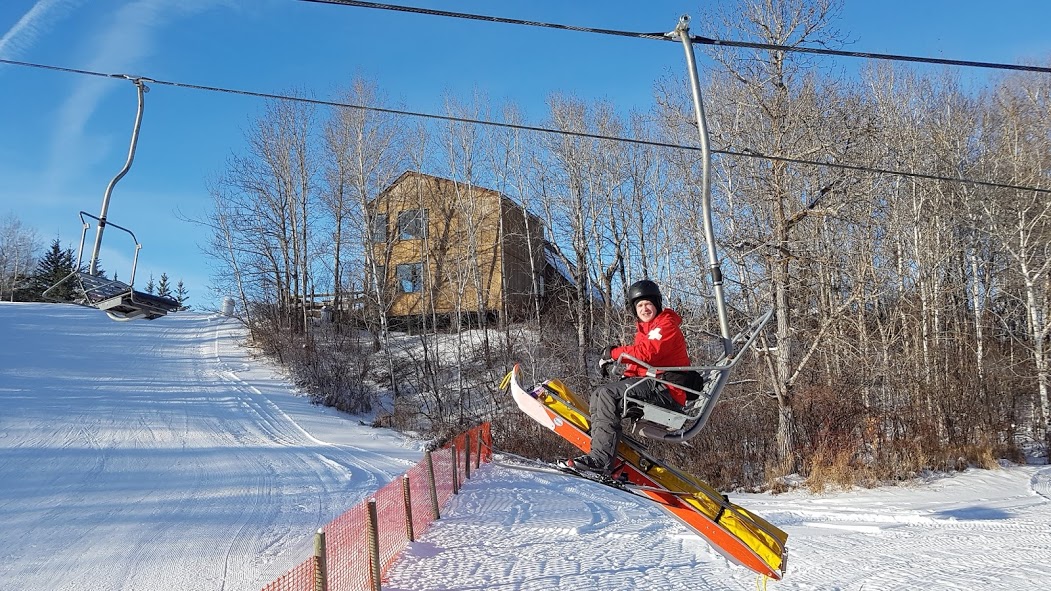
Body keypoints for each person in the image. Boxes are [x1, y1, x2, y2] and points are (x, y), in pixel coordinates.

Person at [561, 279, 699, 477]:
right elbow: (638, 365)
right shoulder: (646, 330)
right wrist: (626, 378)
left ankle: (601, 460)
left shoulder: (665, 325)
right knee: (600, 394)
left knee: (608, 395)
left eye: (648, 304)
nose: (644, 309)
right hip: (655, 385)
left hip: (667, 390)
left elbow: (646, 353)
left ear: (657, 304)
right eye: (639, 306)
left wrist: (613, 353)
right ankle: (601, 447)